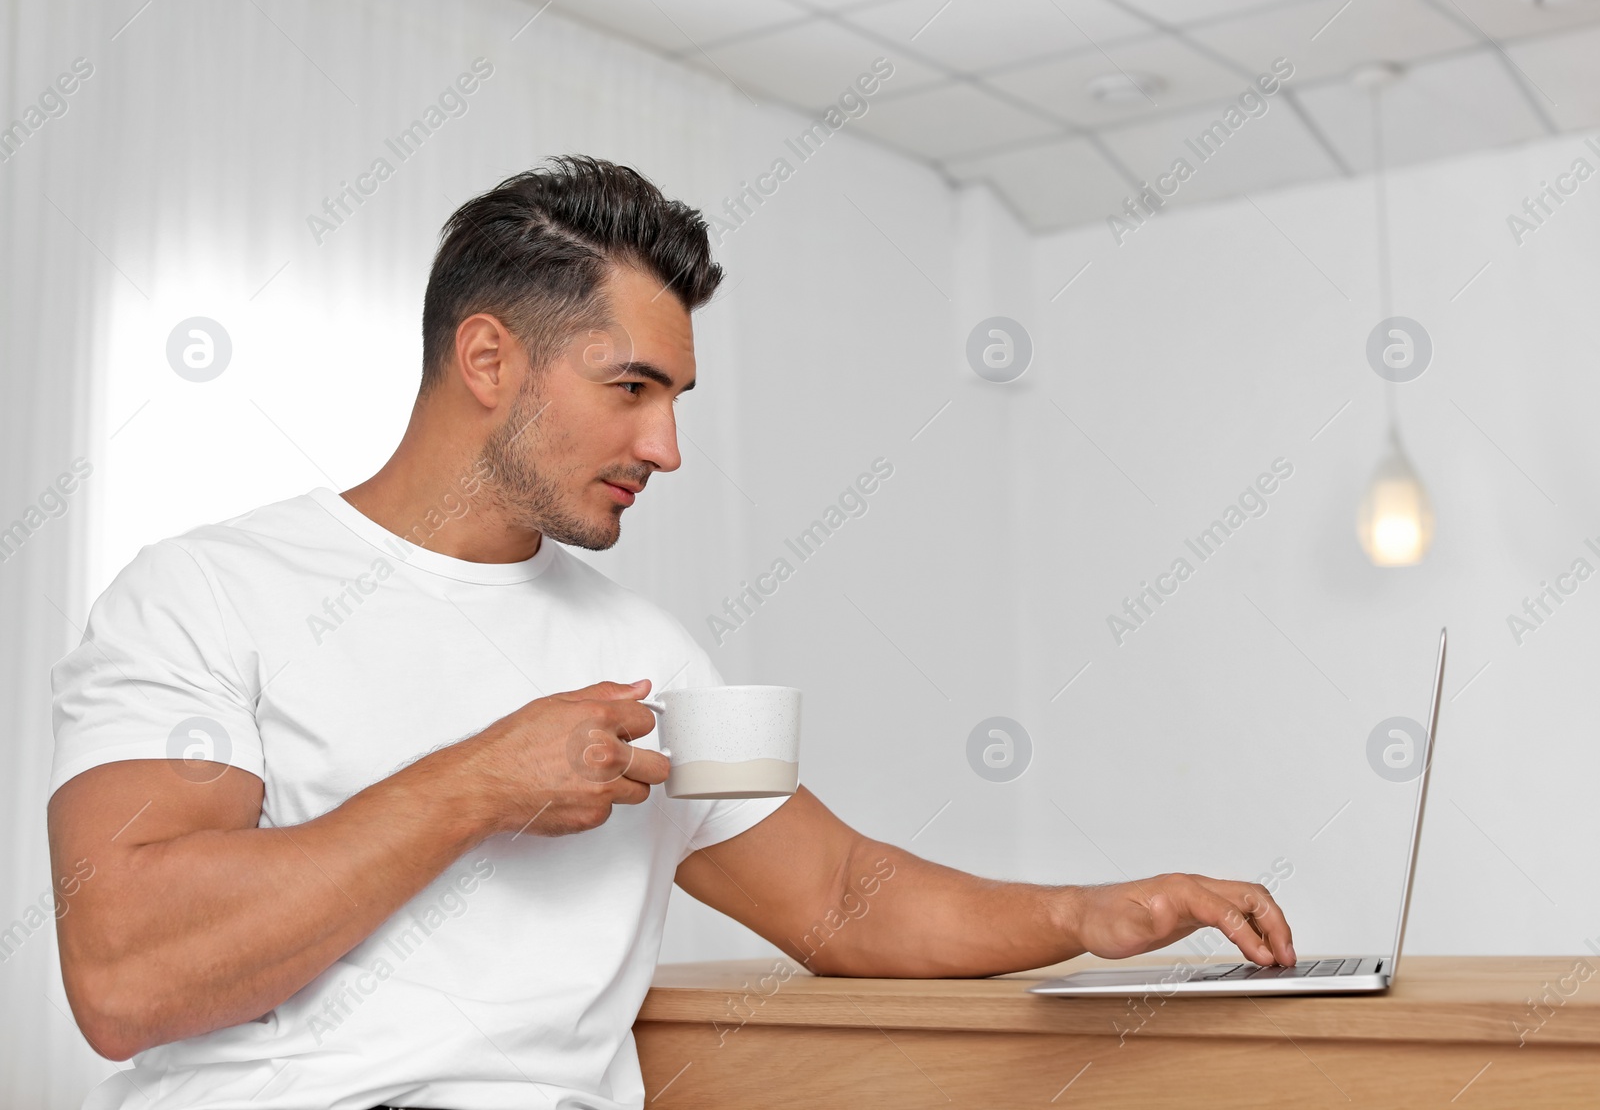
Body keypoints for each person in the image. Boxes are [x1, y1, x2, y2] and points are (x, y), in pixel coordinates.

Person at [46, 155, 1294, 1110]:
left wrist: (1085, 915)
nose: (665, 447)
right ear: (489, 358)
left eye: (676, 398)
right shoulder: (205, 593)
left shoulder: (655, 657)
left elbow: (843, 898)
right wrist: (479, 780)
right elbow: (123, 978)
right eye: (630, 388)